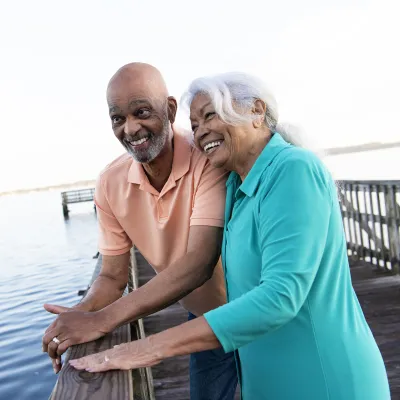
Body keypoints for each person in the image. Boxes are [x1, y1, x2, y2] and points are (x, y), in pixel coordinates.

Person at [69, 72, 391, 400]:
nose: (201, 131)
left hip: (323, 378)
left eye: (210, 115)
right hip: (270, 379)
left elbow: (281, 296)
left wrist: (149, 348)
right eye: (194, 124)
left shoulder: (294, 169)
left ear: (256, 111)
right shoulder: (237, 187)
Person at [42, 63, 238, 400]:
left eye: (141, 112)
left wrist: (106, 319)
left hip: (254, 307)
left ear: (171, 110)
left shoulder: (207, 155)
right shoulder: (109, 183)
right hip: (206, 317)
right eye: (117, 118)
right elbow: (112, 276)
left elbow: (199, 262)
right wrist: (83, 312)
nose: (130, 129)